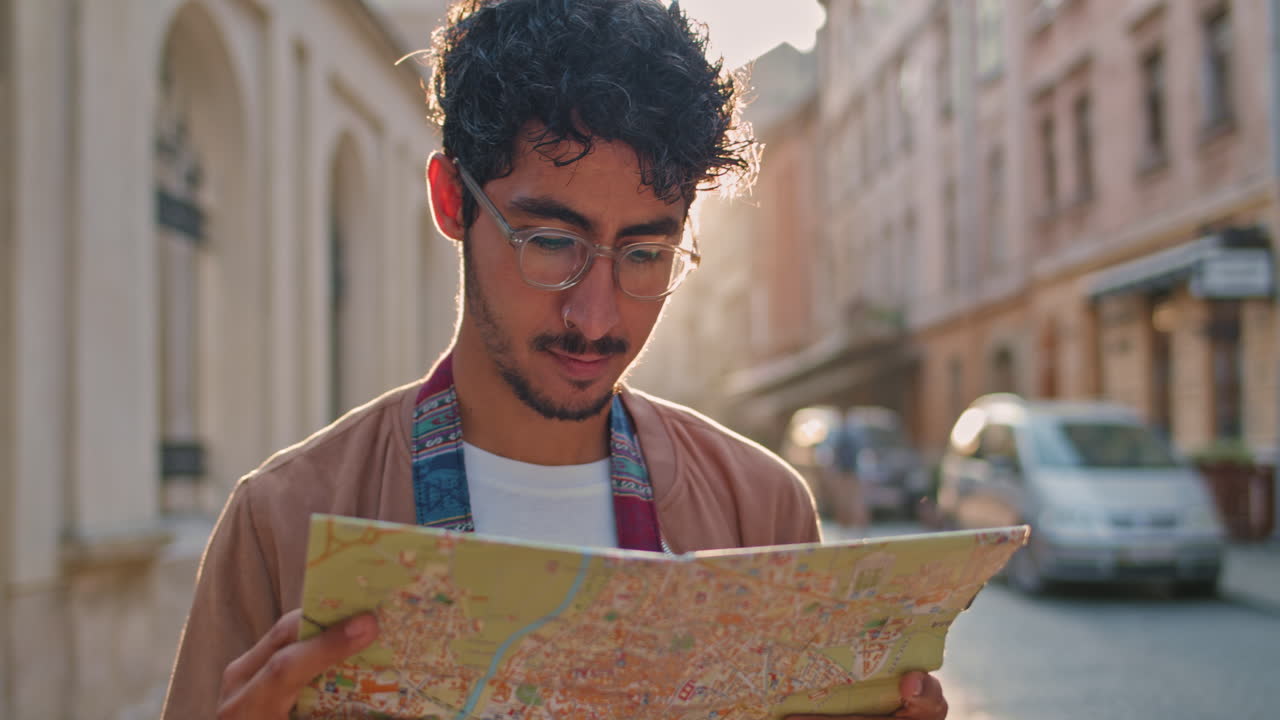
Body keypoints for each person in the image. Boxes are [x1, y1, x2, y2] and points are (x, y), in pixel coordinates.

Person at [160, 1, 949, 719]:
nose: (596, 315)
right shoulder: (282, 523)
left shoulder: (761, 513)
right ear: (452, 202)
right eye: (550, 242)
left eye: (646, 253)